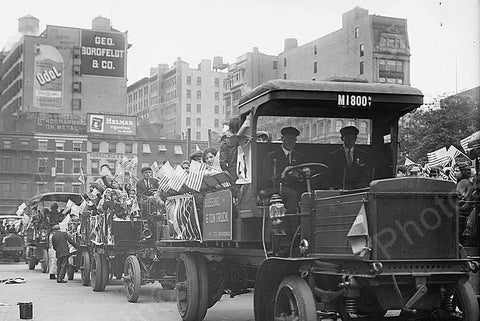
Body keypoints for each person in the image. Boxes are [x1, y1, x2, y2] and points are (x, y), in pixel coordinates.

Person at [262, 126, 304, 213]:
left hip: (295, 187)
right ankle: (293, 224)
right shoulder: (271, 156)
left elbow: (302, 175)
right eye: (288, 138)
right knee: (292, 194)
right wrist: (283, 174)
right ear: (282, 139)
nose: (290, 141)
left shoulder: (299, 157)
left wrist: (301, 174)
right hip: (275, 187)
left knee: (309, 194)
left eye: (293, 139)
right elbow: (267, 177)